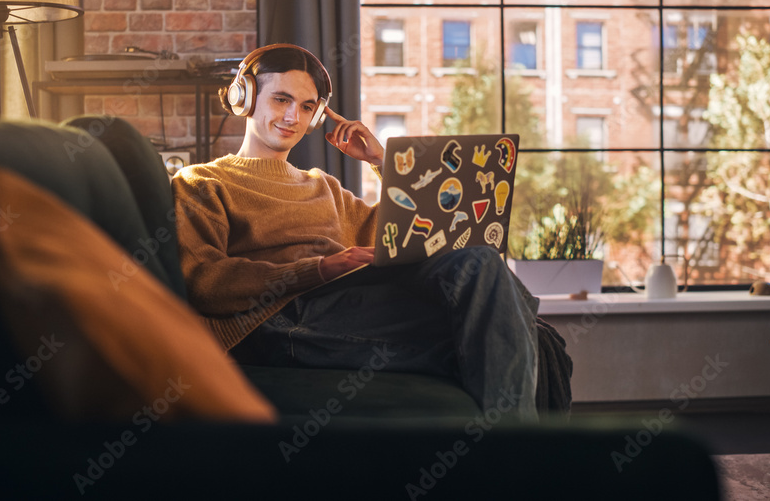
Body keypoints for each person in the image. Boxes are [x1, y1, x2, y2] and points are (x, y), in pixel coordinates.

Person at [171, 44, 541, 421]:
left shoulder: (323, 186)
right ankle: (523, 463)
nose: (291, 116)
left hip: (344, 305)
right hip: (275, 320)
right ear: (244, 97)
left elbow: (408, 237)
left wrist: (382, 162)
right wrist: (317, 269)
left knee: (483, 280)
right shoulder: (203, 181)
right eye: (281, 99)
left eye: (306, 107)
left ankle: (509, 463)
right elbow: (202, 280)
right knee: (505, 337)